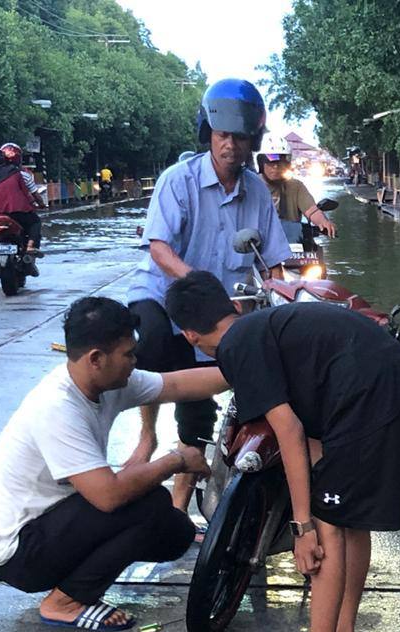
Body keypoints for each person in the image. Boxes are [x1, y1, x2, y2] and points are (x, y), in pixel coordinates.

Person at [164, 271, 400, 632]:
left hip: (366, 395)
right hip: (387, 380)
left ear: (191, 334)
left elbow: (287, 429)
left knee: (327, 525)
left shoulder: (237, 346)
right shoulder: (259, 325)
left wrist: (301, 526)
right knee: (350, 521)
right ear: (229, 306)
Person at [0, 297, 225, 631]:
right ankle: (63, 602)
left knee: (175, 533)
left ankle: (80, 571)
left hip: (58, 519)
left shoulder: (106, 382)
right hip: (22, 553)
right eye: (128, 354)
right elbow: (108, 497)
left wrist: (244, 371)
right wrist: (177, 460)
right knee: (148, 503)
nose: (134, 361)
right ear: (96, 358)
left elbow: (178, 384)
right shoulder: (57, 408)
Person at [124, 78, 290, 515]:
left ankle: (179, 508)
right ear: (208, 135)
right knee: (156, 347)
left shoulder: (257, 190)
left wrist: (282, 296)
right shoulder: (177, 181)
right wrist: (199, 287)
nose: (230, 145)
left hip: (218, 309)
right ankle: (147, 432)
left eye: (239, 137)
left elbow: (271, 262)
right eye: (222, 136)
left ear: (251, 141)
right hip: (162, 293)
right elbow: (159, 248)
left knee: (201, 408)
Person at [0, 141, 42, 285]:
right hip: (19, 210)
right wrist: (37, 204)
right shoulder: (19, 174)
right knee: (35, 222)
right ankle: (30, 247)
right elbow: (26, 192)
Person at [257, 134, 337, 238]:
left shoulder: (295, 186)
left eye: (281, 161)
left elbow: (312, 211)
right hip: (258, 245)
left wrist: (324, 222)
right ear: (261, 163)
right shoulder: (251, 186)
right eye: (271, 161)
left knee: (316, 249)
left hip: (293, 244)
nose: (276, 166)